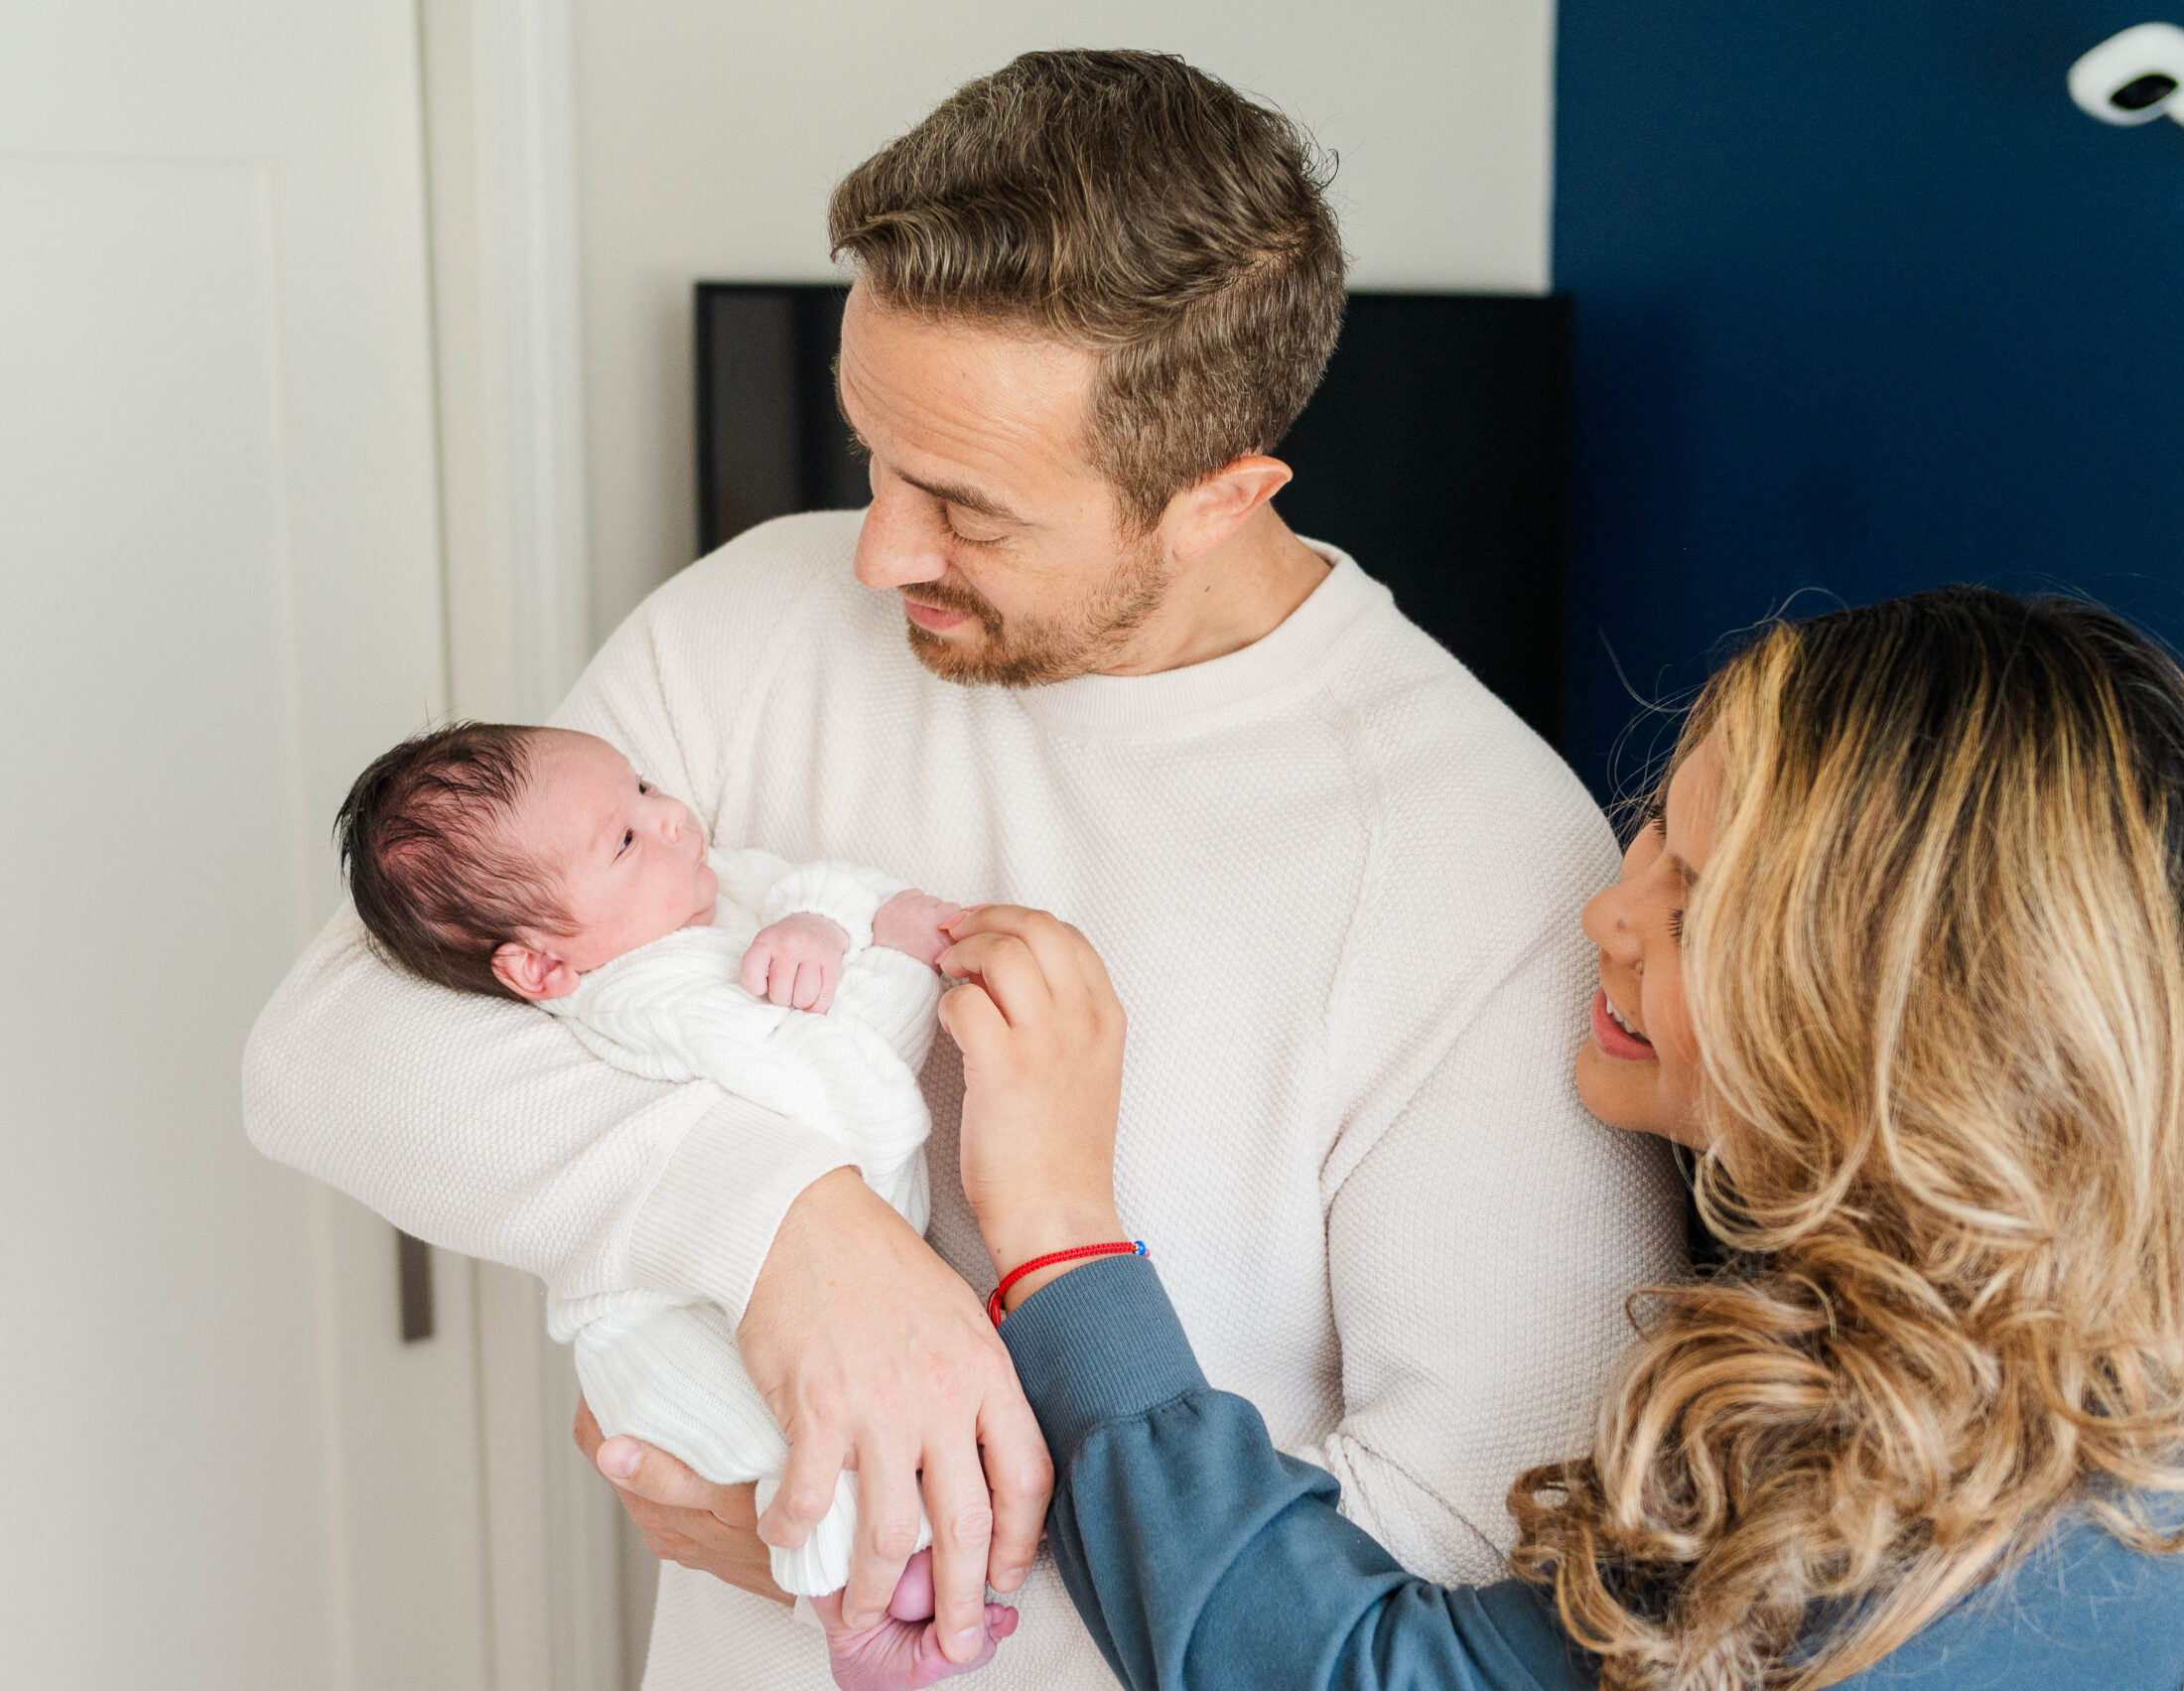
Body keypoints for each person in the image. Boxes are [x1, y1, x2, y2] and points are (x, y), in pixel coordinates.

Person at [241, 49, 1681, 1691]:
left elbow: (1466, 1563)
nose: (874, 551)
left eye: (966, 507)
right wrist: (789, 1227)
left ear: (1219, 497)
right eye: (870, 448)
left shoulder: (1480, 858)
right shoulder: (756, 619)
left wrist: (892, 1552)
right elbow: (322, 1053)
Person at [888, 588, 2184, 1690]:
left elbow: (1344, 1665)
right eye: (1652, 836)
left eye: (1695, 902)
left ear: (1898, 1015)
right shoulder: (2182, 1421)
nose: (1609, 914)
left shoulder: (1885, 1506)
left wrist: (1060, 1229)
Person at [329, 720, 1003, 1684]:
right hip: (668, 1331)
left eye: (643, 788)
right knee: (803, 1446)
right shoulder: (653, 999)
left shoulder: (707, 896)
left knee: (853, 1437)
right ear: (542, 968)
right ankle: (854, 1620)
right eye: (625, 838)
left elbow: (820, 885)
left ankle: (879, 1590)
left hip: (737, 1297)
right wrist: (889, 958)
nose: (674, 817)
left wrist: (827, 920)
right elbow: (852, 1101)